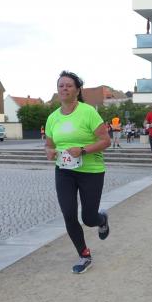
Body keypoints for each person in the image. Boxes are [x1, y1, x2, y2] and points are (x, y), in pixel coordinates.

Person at [44, 70, 111, 274]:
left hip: (91, 171)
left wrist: (82, 150)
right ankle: (84, 255)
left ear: (77, 90)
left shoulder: (88, 112)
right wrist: (50, 152)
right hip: (64, 171)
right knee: (69, 214)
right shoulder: (52, 118)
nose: (64, 88)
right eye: (61, 85)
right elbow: (49, 144)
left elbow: (105, 141)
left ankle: (101, 219)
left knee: (88, 218)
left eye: (69, 85)